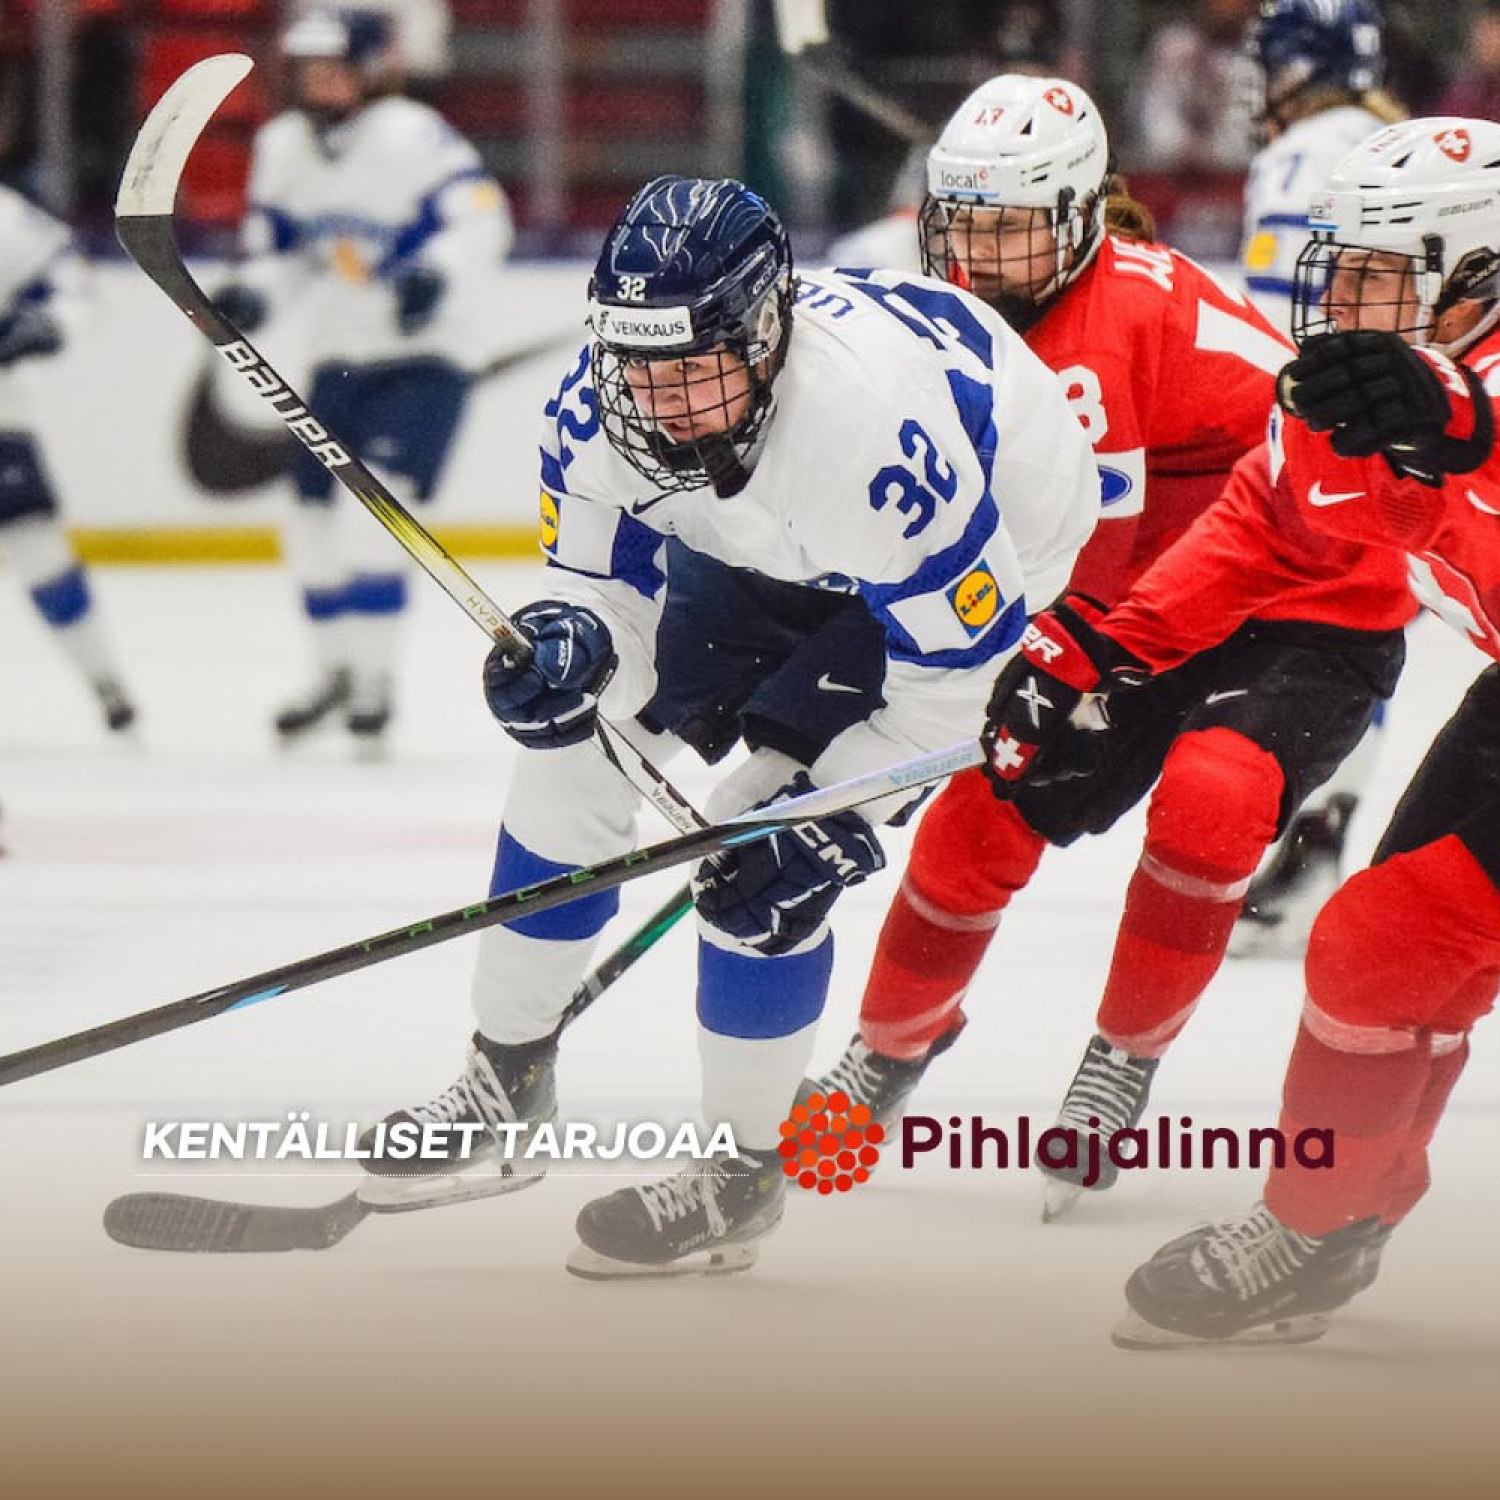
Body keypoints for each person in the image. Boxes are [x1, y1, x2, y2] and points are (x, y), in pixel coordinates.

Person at [355, 173, 1100, 1278]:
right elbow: (607, 595)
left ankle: (740, 1178)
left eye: (692, 368)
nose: (660, 403)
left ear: (764, 333)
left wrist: (838, 816)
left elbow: (961, 675)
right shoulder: (599, 409)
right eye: (638, 367)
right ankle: (504, 1076)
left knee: (763, 860)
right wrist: (575, 644)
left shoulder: (868, 443)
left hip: (965, 579)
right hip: (768, 545)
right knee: (571, 759)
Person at [807, 73, 1404, 1223]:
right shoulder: (967, 305)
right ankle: (886, 1049)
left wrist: (1004, 681)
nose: (979, 256)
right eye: (963, 223)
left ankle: (1122, 1061)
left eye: (1013, 227)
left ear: (1083, 216)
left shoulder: (1102, 324)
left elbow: (1091, 560)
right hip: (1156, 587)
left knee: (1212, 798)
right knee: (979, 815)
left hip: (1308, 592)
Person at [976, 116, 1500, 1345]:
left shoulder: (1441, 393)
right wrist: (1101, 648)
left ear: (1477, 276)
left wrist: (1468, 432)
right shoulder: (1371, 383)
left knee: (1381, 948)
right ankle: (1339, 1219)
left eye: (1380, 273)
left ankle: (1315, 1227)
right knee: (1402, 963)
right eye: (1343, 267)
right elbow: (1267, 525)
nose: (1345, 299)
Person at [214, 6, 512, 751]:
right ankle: (334, 674)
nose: (320, 82)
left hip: (425, 361)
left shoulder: (412, 134)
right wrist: (254, 292)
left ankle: (373, 687)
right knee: (309, 525)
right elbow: (279, 252)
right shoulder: (283, 145)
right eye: (310, 69)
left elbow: (483, 218)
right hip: (339, 356)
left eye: (335, 68)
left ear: (371, 70)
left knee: (380, 518)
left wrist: (435, 275)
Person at [1229, 0, 1407, 956]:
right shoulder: (1390, 139)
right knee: (1366, 630)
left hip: (1336, 431)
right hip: (1420, 422)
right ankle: (1321, 836)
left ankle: (1303, 834)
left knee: (1311, 636)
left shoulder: (1302, 155)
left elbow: (1278, 325)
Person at [0, 182, 136, 734]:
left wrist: (53, 323)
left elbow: (74, 286)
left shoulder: (6, 217)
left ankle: (103, 677)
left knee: (37, 546)